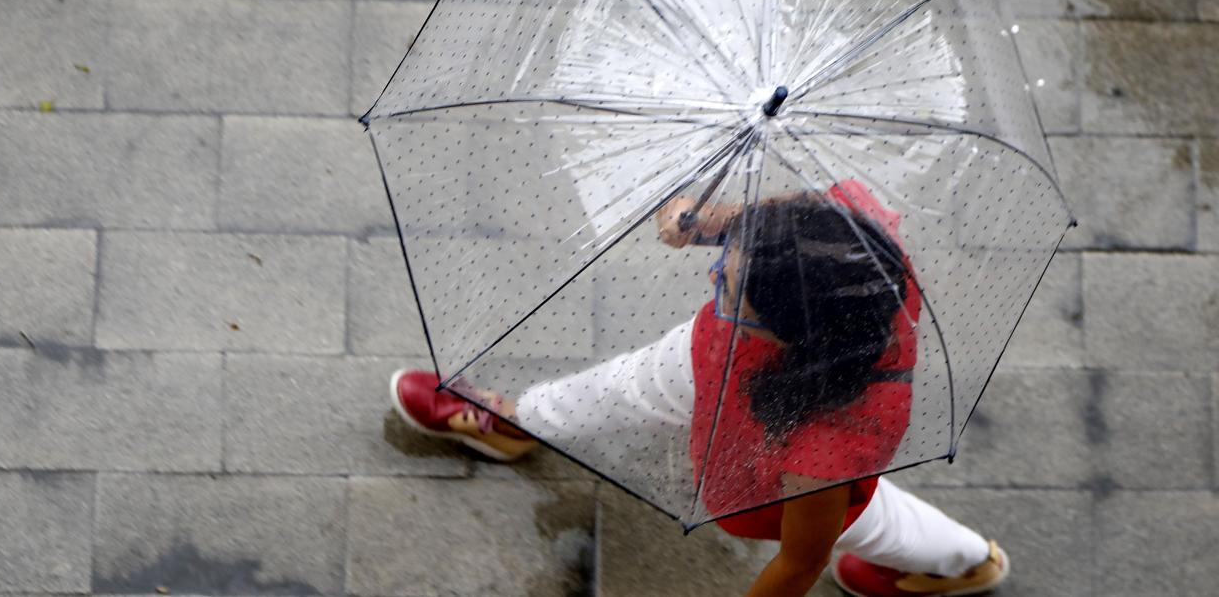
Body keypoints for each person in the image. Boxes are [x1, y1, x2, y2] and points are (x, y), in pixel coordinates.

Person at [389, 180, 1008, 597]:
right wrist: (706, 224)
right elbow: (776, 221)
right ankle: (520, 420)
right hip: (717, 359)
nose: (716, 269)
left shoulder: (825, 452)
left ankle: (964, 563)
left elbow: (799, 561)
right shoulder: (845, 238)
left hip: (780, 448)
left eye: (728, 285)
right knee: (623, 385)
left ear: (785, 329)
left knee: (875, 523)